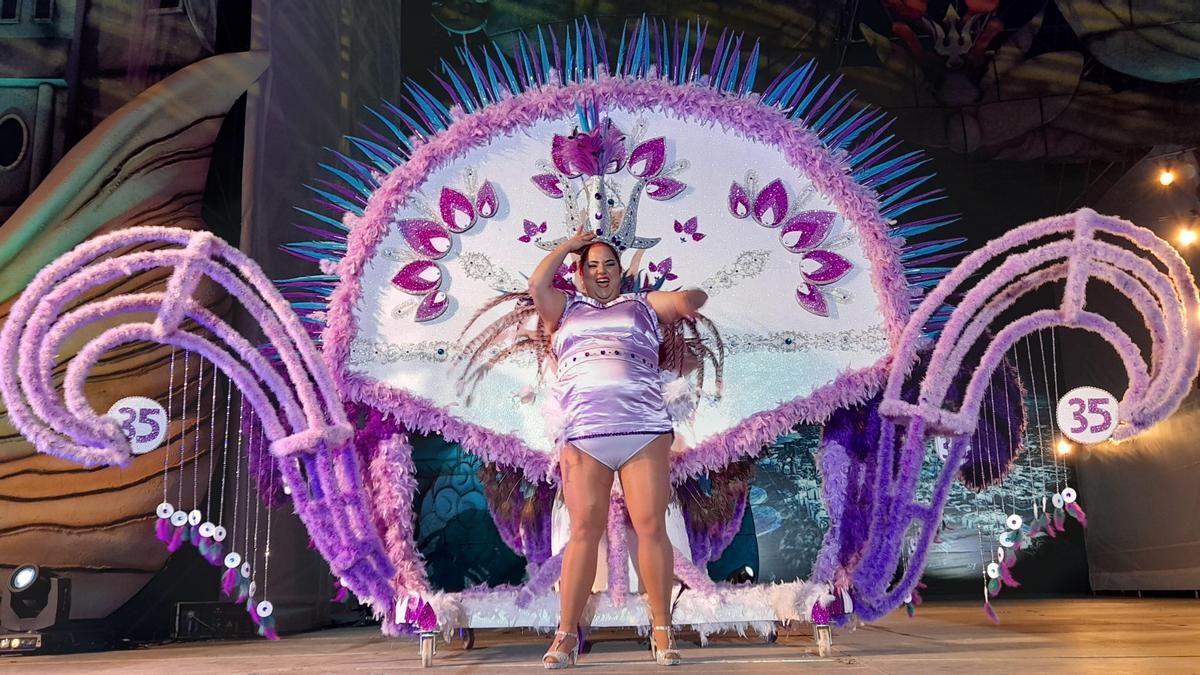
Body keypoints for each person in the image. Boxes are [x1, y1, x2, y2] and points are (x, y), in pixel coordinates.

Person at [530, 224, 707, 669]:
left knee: (651, 527)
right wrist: (571, 243)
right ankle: (566, 634)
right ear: (580, 273)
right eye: (592, 265)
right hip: (584, 434)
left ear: (620, 271)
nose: (603, 271)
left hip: (643, 429)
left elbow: (684, 302)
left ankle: (662, 629)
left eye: (609, 264)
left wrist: (692, 299)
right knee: (582, 532)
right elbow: (536, 284)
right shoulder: (564, 308)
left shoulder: (642, 306)